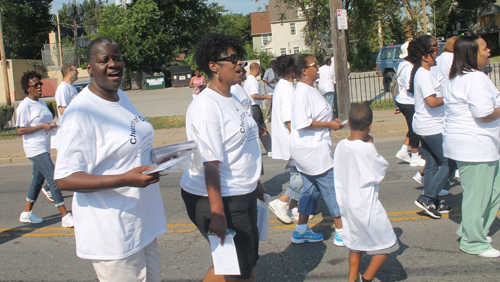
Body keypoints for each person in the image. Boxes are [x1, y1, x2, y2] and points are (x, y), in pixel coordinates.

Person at [54, 37, 168, 281]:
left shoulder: (121, 97)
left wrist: (161, 160)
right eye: (104, 60)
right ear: (90, 68)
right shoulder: (81, 112)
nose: (113, 64)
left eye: (117, 58)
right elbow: (64, 178)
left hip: (141, 220)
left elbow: (128, 147)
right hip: (112, 231)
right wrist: (125, 179)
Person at [180, 33, 266, 282]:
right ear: (214, 67)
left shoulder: (233, 96)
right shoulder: (207, 106)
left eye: (239, 57)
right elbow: (211, 163)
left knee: (244, 264)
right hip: (219, 199)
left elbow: (242, 147)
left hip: (242, 191)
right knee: (235, 268)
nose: (240, 63)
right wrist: (217, 213)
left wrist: (256, 183)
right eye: (233, 59)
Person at [443, 32, 500, 258]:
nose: (488, 52)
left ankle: (473, 230)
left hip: (480, 145)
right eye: (484, 48)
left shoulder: (460, 76)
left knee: (492, 192)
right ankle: (473, 241)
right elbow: (484, 112)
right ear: (471, 53)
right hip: (475, 146)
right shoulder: (474, 78)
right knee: (478, 196)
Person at [334, 104, 399, 282]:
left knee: (355, 245)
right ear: (369, 126)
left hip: (346, 202)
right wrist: (371, 145)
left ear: (349, 124)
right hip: (365, 204)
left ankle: (351, 279)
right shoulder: (366, 149)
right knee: (388, 244)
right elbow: (379, 171)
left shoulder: (341, 145)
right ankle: (367, 278)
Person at [289, 54, 344, 245]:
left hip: (309, 149)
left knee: (310, 190)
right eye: (314, 65)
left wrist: (330, 123)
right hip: (312, 151)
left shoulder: (310, 89)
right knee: (332, 189)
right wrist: (330, 124)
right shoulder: (302, 91)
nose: (318, 67)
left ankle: (301, 230)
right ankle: (341, 232)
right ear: (304, 71)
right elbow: (303, 122)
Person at [15, 71, 74, 228]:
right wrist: (42, 126)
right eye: (36, 85)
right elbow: (20, 130)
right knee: (53, 178)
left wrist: (52, 126)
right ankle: (65, 216)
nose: (40, 87)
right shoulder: (24, 106)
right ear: (28, 88)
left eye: (40, 84)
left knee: (37, 180)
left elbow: (46, 123)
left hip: (44, 146)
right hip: (34, 148)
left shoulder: (41, 103)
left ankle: (26, 213)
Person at [407, 35, 452, 219]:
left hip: (425, 126)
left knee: (432, 165)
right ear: (425, 55)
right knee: (449, 163)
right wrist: (451, 97)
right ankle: (427, 197)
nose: (438, 49)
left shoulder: (425, 72)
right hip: (431, 127)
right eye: (435, 46)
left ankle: (431, 202)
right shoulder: (424, 75)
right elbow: (432, 102)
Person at [269, 54, 304, 224]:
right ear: (291, 69)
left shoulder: (282, 85)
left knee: (296, 174)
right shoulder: (288, 89)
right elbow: (289, 120)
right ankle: (282, 202)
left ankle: (294, 208)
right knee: (302, 175)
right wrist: (299, 140)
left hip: (287, 139)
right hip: (291, 139)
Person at [43, 63, 79, 202]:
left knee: (70, 161)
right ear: (70, 72)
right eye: (75, 70)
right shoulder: (63, 88)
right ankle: (49, 187)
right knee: (66, 162)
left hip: (74, 130)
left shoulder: (72, 88)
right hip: (67, 131)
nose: (77, 72)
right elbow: (63, 109)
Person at [393, 42, 426, 168]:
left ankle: (403, 150)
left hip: (403, 100)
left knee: (412, 127)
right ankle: (415, 156)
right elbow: (409, 87)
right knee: (414, 129)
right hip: (408, 101)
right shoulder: (408, 67)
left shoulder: (403, 64)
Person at [245, 62, 272, 156]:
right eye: (259, 68)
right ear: (256, 68)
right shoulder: (252, 80)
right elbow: (254, 95)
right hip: (254, 107)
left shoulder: (249, 79)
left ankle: (270, 148)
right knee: (261, 128)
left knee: (260, 127)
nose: (260, 70)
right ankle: (270, 149)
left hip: (252, 107)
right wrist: (266, 97)